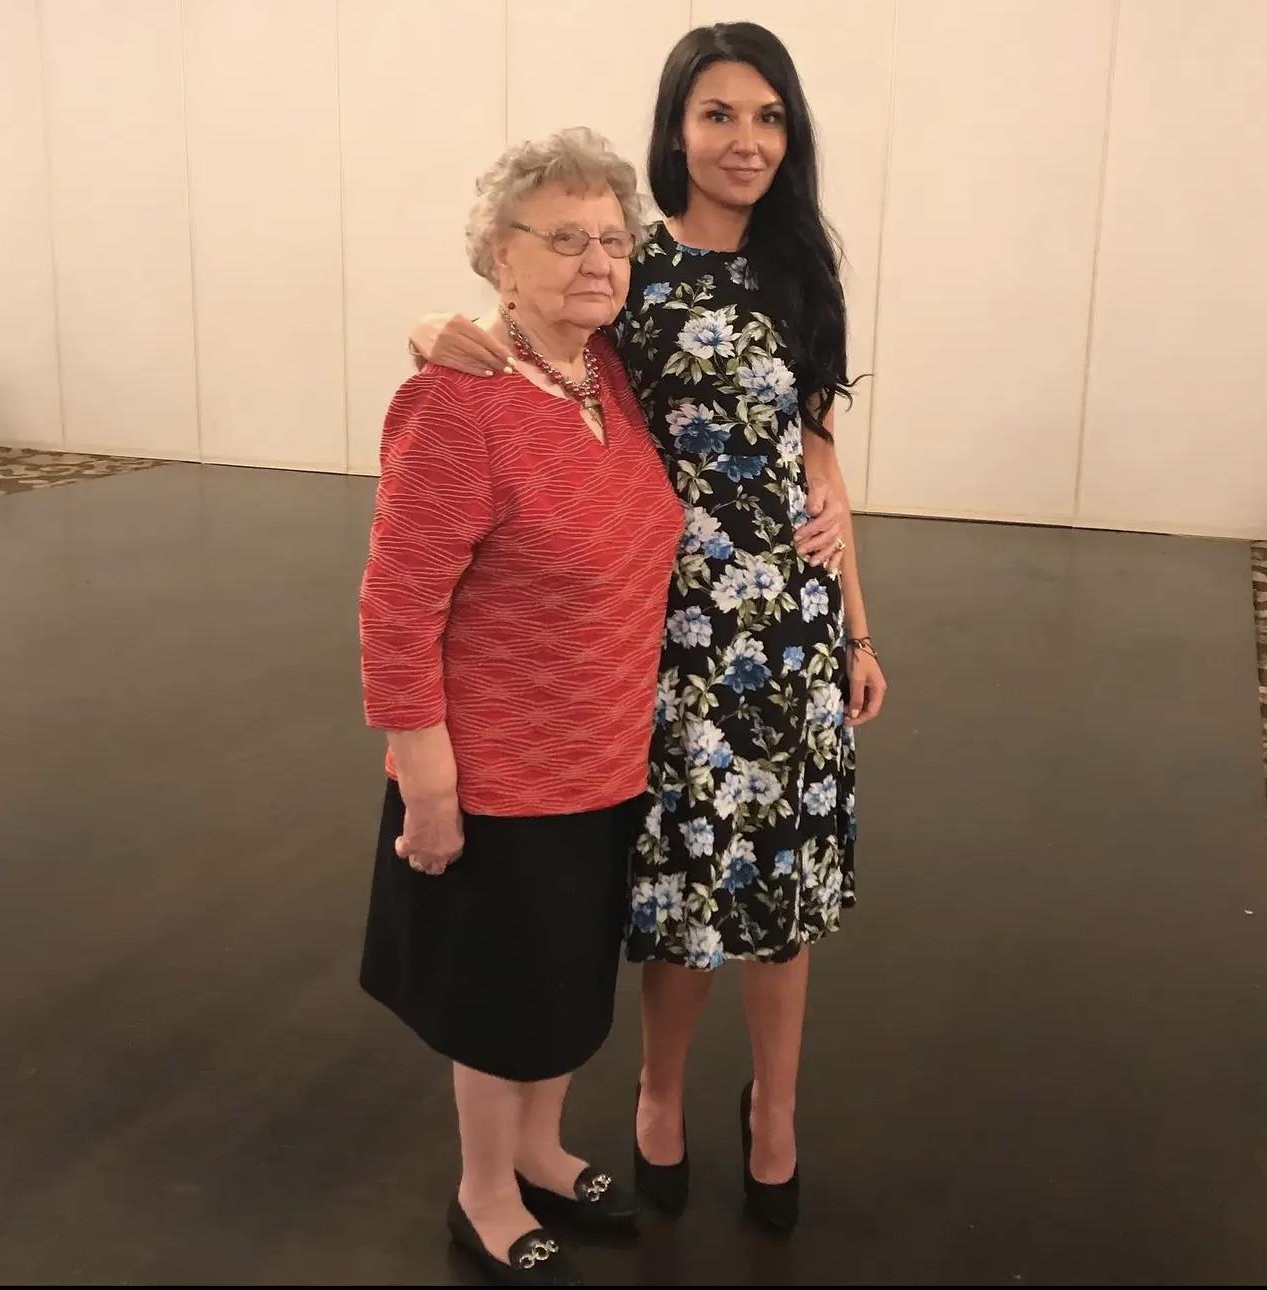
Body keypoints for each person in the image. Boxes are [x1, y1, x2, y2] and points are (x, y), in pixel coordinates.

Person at [409, 22, 888, 1233]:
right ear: (677, 127)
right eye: (719, 114)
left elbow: (817, 454)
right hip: (671, 632)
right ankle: (659, 1093)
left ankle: (775, 1111)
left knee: (783, 892)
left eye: (769, 117)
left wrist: (858, 628)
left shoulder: (800, 266)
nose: (746, 141)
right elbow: (539, 348)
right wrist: (436, 332)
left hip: (791, 627)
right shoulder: (633, 264)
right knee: (684, 888)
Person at [358, 128, 683, 1285]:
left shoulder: (609, 376)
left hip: (607, 757)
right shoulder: (458, 404)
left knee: (562, 988)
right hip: (499, 775)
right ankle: (485, 1191)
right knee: (501, 1006)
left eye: (613, 239)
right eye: (565, 238)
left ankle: (542, 1149)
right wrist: (427, 783)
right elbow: (397, 606)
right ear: (502, 255)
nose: (597, 260)